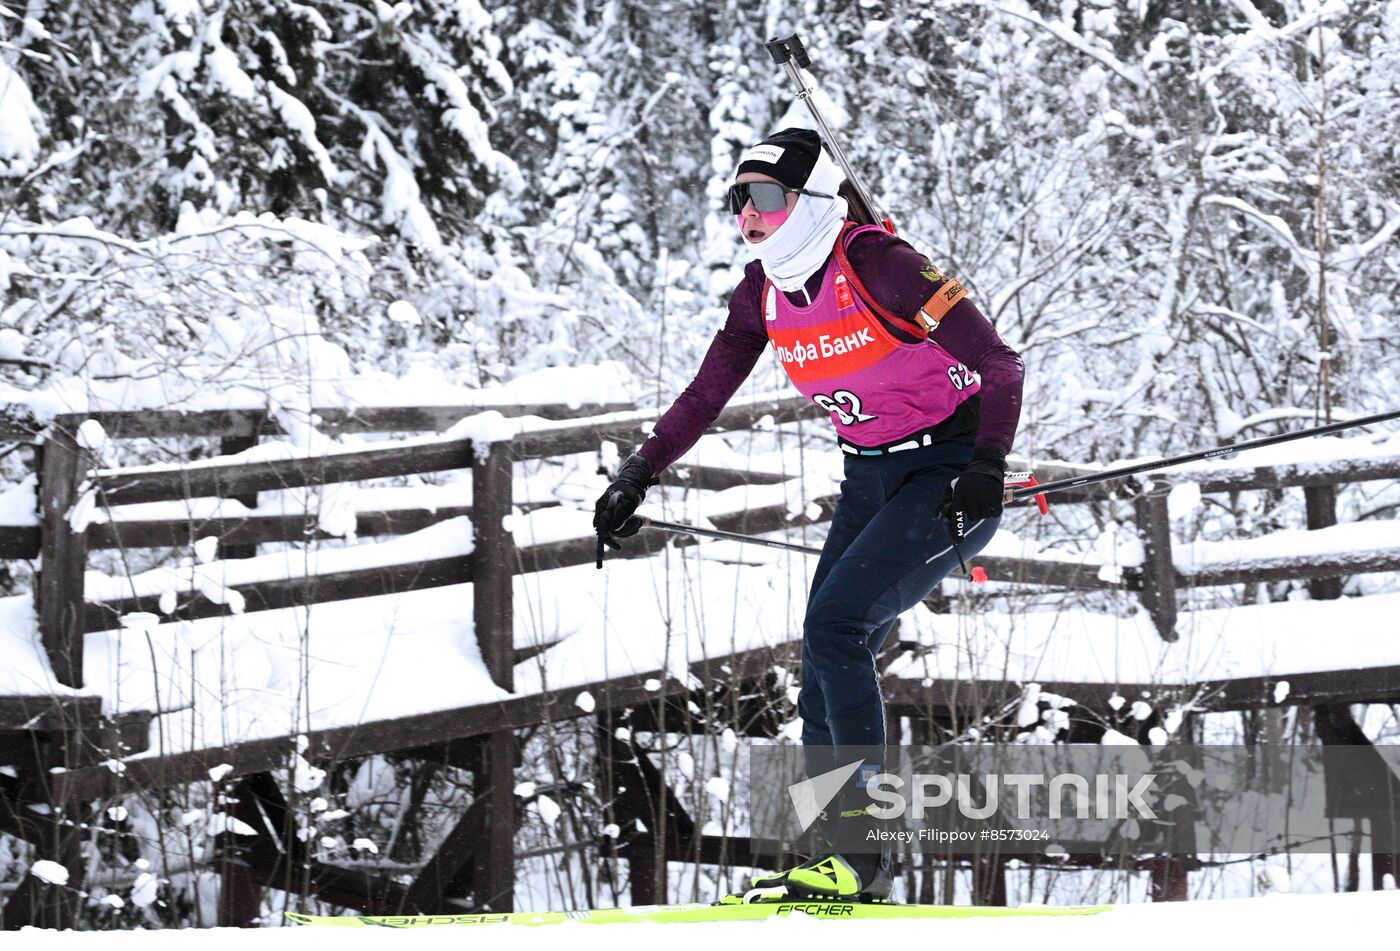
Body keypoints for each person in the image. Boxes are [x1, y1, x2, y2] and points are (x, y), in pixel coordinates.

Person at [593, 128, 1023, 901]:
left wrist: (988, 464)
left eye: (763, 197)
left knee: (836, 629)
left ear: (810, 199)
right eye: (738, 201)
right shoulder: (762, 290)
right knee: (821, 668)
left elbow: (1001, 361)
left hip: (949, 474)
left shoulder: (878, 263)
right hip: (872, 479)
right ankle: (837, 858)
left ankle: (862, 858)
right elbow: (705, 392)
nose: (748, 217)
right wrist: (639, 470)